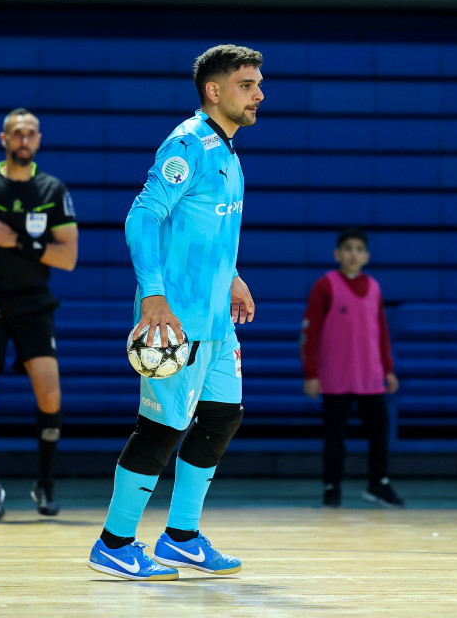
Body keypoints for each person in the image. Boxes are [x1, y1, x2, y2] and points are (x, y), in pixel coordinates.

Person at [87, 44, 263, 581]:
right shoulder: (187, 144)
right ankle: (114, 543)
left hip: (216, 323)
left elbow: (206, 229)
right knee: (161, 429)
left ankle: (181, 537)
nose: (259, 94)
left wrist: (232, 276)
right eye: (246, 85)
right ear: (214, 90)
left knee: (222, 417)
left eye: (258, 84)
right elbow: (142, 215)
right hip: (175, 321)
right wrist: (152, 293)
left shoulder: (227, 150)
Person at [0, 108, 78, 520]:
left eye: (30, 133)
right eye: (17, 133)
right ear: (4, 139)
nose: (24, 139)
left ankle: (45, 484)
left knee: (50, 394)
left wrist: (17, 241)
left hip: (33, 303)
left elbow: (68, 257)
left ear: (38, 140)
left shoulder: (52, 189)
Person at [300, 228, 404, 509]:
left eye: (359, 249)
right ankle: (331, 489)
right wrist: (311, 373)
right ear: (337, 254)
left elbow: (382, 331)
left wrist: (388, 369)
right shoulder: (325, 286)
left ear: (367, 256)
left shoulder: (374, 287)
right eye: (348, 248)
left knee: (379, 433)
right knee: (335, 438)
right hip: (336, 377)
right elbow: (309, 333)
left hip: (371, 376)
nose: (353, 254)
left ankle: (378, 484)